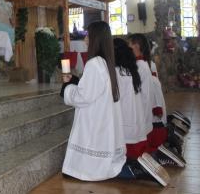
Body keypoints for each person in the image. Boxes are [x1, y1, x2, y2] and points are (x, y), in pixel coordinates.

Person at [60, 21, 126, 181]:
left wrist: (67, 87)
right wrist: (75, 80)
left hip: (95, 118)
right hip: (102, 116)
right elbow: (92, 86)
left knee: (83, 161)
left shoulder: (94, 64)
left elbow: (83, 96)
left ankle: (89, 168)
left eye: (88, 35)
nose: (85, 40)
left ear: (95, 38)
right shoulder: (106, 62)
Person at [113, 38, 170, 186]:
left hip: (136, 122)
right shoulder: (138, 66)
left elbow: (144, 96)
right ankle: (148, 161)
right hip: (139, 121)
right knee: (137, 151)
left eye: (130, 44)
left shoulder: (134, 67)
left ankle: (137, 170)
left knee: (120, 164)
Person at [128, 34, 185, 167]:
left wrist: (154, 108)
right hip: (149, 120)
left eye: (129, 45)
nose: (127, 49)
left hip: (149, 122)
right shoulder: (142, 64)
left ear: (136, 46)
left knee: (139, 150)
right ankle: (167, 136)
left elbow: (145, 94)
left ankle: (160, 150)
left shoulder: (141, 66)